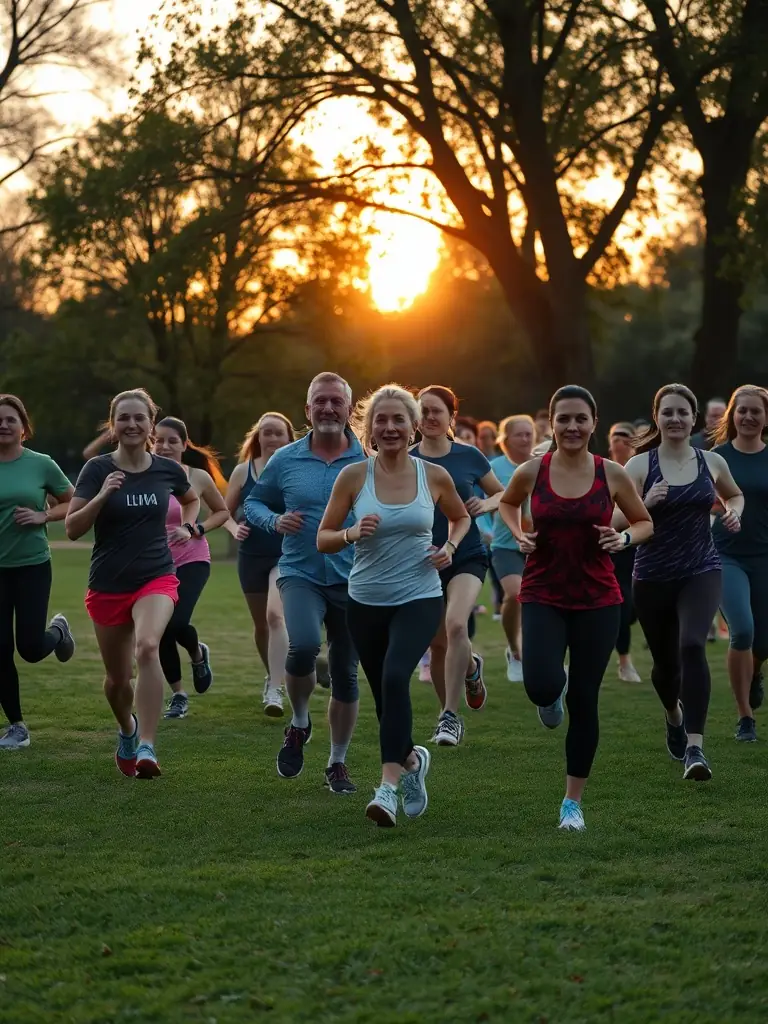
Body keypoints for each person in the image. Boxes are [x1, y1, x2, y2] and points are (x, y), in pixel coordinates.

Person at [499, 386, 653, 832]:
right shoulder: (533, 470)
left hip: (598, 598)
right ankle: (552, 693)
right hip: (544, 591)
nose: (571, 427)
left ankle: (572, 802)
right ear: (552, 423)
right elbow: (508, 504)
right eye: (563, 419)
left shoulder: (612, 474)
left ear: (593, 423)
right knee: (541, 685)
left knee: (586, 698)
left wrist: (623, 538)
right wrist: (518, 533)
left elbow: (644, 522)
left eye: (580, 419)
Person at [318, 384, 470, 826]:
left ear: (414, 426)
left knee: (394, 675)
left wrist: (451, 547)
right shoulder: (353, 477)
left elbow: (460, 517)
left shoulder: (433, 476)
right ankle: (412, 763)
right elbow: (322, 538)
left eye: (398, 420)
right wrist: (350, 533)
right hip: (365, 601)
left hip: (420, 595)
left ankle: (386, 788)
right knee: (387, 697)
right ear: (369, 429)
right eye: (380, 420)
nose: (389, 427)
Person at [66, 388, 199, 779]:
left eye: (139, 417)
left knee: (147, 647)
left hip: (156, 576)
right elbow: (73, 528)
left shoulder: (168, 469)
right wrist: (103, 495)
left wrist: (189, 526)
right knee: (117, 681)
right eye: (123, 417)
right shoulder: (96, 470)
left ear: (150, 424)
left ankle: (147, 747)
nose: (132, 424)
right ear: (113, 426)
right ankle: (128, 729)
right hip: (108, 582)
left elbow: (191, 500)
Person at [244, 372, 364, 793]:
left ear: (349, 410)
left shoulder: (368, 459)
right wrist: (273, 520)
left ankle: (337, 762)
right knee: (305, 646)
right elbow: (253, 500)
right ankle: (298, 722)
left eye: (336, 401)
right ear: (307, 410)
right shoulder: (286, 459)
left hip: (355, 578)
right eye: (320, 402)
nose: (328, 408)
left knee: (347, 675)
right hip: (300, 573)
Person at [622, 384, 743, 782]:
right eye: (667, 412)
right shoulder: (639, 467)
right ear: (657, 417)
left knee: (692, 644)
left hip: (701, 568)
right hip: (653, 575)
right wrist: (647, 504)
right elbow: (614, 523)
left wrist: (732, 512)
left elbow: (734, 496)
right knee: (665, 666)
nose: (675, 419)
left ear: (694, 420)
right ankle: (673, 715)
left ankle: (695, 747)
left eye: (682, 413)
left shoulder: (711, 462)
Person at [413, 386, 504, 746]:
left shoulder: (469, 456)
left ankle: (450, 716)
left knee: (455, 625)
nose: (430, 417)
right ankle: (466, 676)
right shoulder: (406, 458)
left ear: (452, 417)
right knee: (437, 644)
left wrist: (489, 504)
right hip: (423, 561)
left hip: (465, 554)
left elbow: (502, 493)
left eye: (438, 411)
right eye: (424, 411)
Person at [0, 395, 76, 750]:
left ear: (23, 428)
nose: (3, 425)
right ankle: (17, 726)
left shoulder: (41, 464)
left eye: (10, 419)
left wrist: (42, 516)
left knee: (29, 648)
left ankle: (58, 633)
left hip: (31, 566)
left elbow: (73, 502)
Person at [153, 417, 230, 719]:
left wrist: (198, 527)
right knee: (159, 631)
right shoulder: (143, 477)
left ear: (184, 445)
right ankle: (179, 695)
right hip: (155, 563)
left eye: (172, 440)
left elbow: (222, 512)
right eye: (159, 440)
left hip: (192, 559)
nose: (165, 446)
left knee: (174, 622)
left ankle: (197, 652)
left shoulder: (196, 476)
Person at [226, 412, 296, 716]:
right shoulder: (243, 472)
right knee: (261, 626)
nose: (272, 439)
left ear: (289, 438)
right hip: (252, 555)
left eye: (278, 433)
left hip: (286, 554)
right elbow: (223, 512)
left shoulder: (296, 469)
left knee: (274, 616)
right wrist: (233, 528)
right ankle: (274, 675)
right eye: (266, 433)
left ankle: (276, 688)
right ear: (258, 438)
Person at [710, 386, 768, 741]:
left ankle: (756, 669)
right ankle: (744, 716)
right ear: (732, 416)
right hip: (726, 554)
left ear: (766, 417)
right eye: (741, 410)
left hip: (765, 555)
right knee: (742, 630)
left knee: (762, 643)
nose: (747, 417)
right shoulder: (717, 456)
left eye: (755, 411)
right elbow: (701, 500)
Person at [489, 415, 535, 682]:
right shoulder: (494, 467)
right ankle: (515, 651)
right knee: (516, 594)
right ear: (505, 439)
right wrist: (485, 527)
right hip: (505, 545)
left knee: (537, 603)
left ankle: (536, 652)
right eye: (520, 434)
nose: (526, 439)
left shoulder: (540, 465)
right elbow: (482, 501)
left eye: (529, 434)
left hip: (538, 545)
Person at [608, 422, 642, 683]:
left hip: (636, 545)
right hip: (608, 545)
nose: (620, 442)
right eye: (615, 437)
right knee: (621, 603)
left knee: (631, 608)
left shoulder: (640, 471)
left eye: (625, 437)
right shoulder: (601, 470)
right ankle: (624, 662)